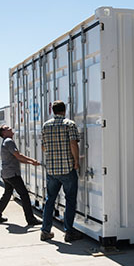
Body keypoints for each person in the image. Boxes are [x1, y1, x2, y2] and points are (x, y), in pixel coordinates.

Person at [39, 100, 83, 242]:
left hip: (51, 170)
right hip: (67, 168)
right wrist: (77, 161)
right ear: (64, 110)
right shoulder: (69, 124)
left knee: (50, 200)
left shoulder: (46, 126)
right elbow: (73, 144)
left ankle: (45, 231)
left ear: (52, 110)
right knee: (70, 200)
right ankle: (68, 232)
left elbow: (43, 147)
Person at [0, 125, 42, 226]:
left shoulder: (6, 142)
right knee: (24, 195)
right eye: (7, 128)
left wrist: (31, 161)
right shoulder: (9, 141)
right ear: (4, 132)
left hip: (6, 173)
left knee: (7, 194)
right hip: (12, 174)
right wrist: (32, 162)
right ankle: (30, 219)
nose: (10, 129)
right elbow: (18, 156)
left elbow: (17, 156)